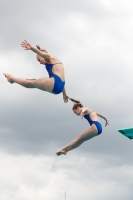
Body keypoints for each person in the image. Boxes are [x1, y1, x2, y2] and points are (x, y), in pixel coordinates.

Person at [4, 40, 68, 103]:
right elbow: (60, 78)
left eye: (39, 59)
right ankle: (13, 79)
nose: (40, 62)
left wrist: (31, 47)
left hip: (56, 84)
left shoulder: (49, 57)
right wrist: (64, 94)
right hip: (61, 86)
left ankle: (11, 78)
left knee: (31, 83)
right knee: (32, 82)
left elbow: (41, 53)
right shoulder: (56, 61)